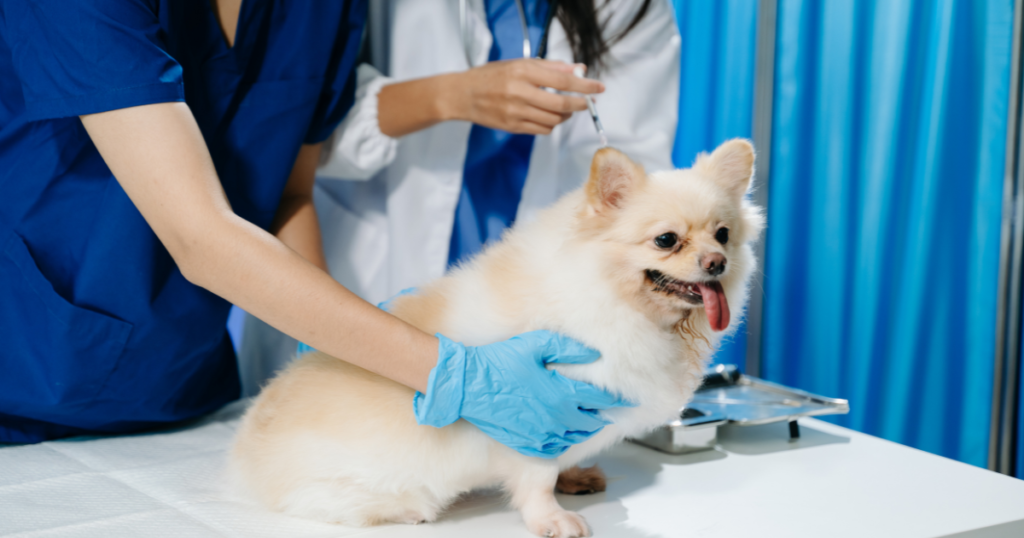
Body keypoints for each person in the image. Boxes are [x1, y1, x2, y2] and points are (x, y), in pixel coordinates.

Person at [0, 0, 627, 457]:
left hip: (177, 386)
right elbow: (200, 238)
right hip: (25, 376)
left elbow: (287, 192)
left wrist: (345, 356)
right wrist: (449, 373)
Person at [240, 0, 681, 391]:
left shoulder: (629, 8)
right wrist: (449, 96)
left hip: (534, 297)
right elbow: (291, 135)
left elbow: (635, 185)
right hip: (372, 272)